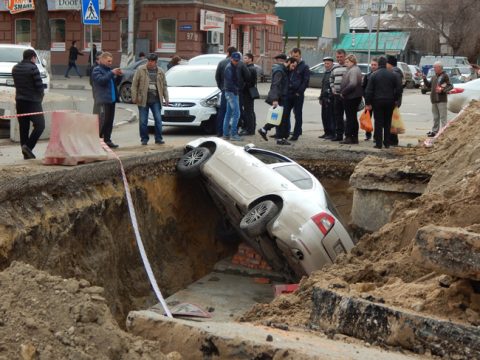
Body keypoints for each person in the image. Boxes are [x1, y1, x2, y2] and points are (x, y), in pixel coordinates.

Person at [12, 49, 45, 159]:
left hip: (20, 101)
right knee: (40, 125)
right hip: (33, 102)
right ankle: (28, 147)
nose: (35, 61)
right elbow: (39, 86)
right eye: (35, 58)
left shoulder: (15, 68)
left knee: (24, 127)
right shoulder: (33, 68)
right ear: (32, 57)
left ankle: (25, 153)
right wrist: (40, 98)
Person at [258, 56, 298, 145]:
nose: (293, 68)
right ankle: (278, 138)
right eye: (293, 66)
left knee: (279, 118)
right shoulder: (280, 71)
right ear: (288, 62)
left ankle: (265, 130)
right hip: (279, 98)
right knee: (281, 119)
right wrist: (275, 99)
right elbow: (275, 85)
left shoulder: (284, 70)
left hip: (282, 97)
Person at [131, 53, 169, 145]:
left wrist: (166, 98)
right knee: (143, 121)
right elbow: (134, 84)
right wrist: (134, 97)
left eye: (152, 61)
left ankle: (158, 139)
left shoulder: (160, 71)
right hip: (143, 99)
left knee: (158, 120)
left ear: (156, 62)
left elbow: (164, 85)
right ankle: (144, 139)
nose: (150, 63)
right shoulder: (141, 69)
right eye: (149, 61)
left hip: (156, 99)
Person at [365, 56, 402, 149]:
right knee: (387, 122)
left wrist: (368, 102)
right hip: (390, 101)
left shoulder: (374, 75)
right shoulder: (392, 75)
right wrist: (396, 99)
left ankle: (378, 144)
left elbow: (369, 91)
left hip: (377, 101)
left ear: (378, 64)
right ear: (385, 64)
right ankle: (387, 143)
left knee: (378, 123)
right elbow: (398, 89)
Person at [92, 52, 123, 148]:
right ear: (102, 60)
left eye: (111, 61)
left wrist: (119, 76)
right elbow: (101, 81)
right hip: (103, 100)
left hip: (111, 100)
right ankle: (97, 140)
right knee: (103, 121)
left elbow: (114, 83)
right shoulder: (97, 70)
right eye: (108, 61)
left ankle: (107, 140)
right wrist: (112, 73)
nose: (110, 63)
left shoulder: (109, 70)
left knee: (110, 121)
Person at [422, 61, 453, 137]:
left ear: (440, 67)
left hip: (441, 99)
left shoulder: (445, 76)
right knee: (435, 117)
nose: (434, 68)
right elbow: (429, 86)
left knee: (443, 117)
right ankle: (435, 131)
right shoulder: (434, 76)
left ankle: (444, 132)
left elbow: (450, 86)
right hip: (434, 99)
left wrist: (442, 90)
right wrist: (424, 79)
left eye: (435, 67)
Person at [286, 48, 310, 141]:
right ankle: (284, 133)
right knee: (285, 114)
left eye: (296, 56)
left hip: (298, 95)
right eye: (293, 56)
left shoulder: (304, 67)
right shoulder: (290, 65)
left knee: (298, 114)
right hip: (289, 93)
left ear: (300, 56)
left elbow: (305, 81)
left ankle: (296, 134)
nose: (295, 58)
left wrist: (299, 92)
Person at [339, 54, 363, 144]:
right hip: (354, 97)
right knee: (352, 118)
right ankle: (354, 137)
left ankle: (349, 137)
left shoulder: (353, 70)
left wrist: (343, 92)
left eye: (347, 62)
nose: (346, 63)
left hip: (351, 97)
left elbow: (353, 84)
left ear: (352, 62)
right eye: (345, 61)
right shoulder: (354, 69)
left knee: (350, 118)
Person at [222, 52, 245, 141]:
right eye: (235, 60)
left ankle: (226, 134)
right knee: (236, 113)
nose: (236, 62)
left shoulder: (231, 66)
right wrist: (236, 90)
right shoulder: (229, 68)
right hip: (231, 92)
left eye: (237, 60)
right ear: (231, 58)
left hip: (229, 92)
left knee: (228, 113)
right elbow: (230, 82)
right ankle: (233, 134)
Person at [215, 46, 237, 137]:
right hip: (235, 91)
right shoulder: (239, 63)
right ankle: (233, 132)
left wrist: (221, 87)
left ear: (228, 53)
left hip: (225, 90)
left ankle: (221, 131)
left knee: (223, 111)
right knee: (235, 111)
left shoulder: (222, 63)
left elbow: (217, 77)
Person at [330, 49, 348, 141]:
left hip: (346, 96)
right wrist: (332, 88)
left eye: (341, 57)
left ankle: (348, 135)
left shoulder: (349, 67)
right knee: (338, 116)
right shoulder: (334, 68)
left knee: (348, 116)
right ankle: (339, 135)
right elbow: (331, 79)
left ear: (345, 56)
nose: (339, 58)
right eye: (337, 57)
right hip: (336, 95)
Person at [386, 55, 403, 146]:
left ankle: (393, 140)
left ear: (390, 64)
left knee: (391, 121)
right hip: (394, 100)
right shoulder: (395, 72)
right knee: (392, 120)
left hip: (394, 100)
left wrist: (395, 99)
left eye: (387, 63)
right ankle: (392, 139)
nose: (386, 65)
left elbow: (398, 88)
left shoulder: (395, 73)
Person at [239, 53, 257, 136]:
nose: (244, 60)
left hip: (247, 92)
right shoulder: (251, 68)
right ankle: (251, 128)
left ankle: (249, 129)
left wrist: (242, 87)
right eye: (244, 58)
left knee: (248, 111)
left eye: (245, 58)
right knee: (250, 111)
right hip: (249, 92)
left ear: (250, 59)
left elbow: (248, 82)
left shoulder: (250, 69)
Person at [361, 57, 379, 141]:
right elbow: (363, 88)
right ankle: (368, 134)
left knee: (377, 119)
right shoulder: (367, 76)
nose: (373, 66)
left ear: (378, 65)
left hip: (377, 101)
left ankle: (376, 136)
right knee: (367, 118)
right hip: (368, 101)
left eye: (375, 65)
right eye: (372, 65)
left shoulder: (379, 76)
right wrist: (365, 98)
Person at [318, 56, 335, 139]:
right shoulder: (325, 73)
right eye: (325, 63)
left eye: (328, 63)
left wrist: (330, 96)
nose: (326, 65)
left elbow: (332, 86)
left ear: (332, 64)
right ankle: (326, 132)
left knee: (330, 117)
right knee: (324, 116)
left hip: (330, 98)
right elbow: (323, 86)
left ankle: (331, 133)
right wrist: (320, 97)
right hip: (324, 98)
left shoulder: (333, 73)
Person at [89, 50, 102, 115]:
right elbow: (91, 81)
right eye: (102, 58)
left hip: (99, 90)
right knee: (97, 106)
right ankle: (95, 120)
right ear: (98, 58)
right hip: (96, 90)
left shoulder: (101, 67)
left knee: (99, 107)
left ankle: (98, 120)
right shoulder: (94, 67)